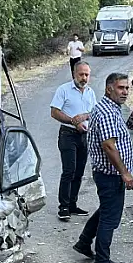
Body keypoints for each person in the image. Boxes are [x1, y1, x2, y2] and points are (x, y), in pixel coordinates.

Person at [73, 73, 133, 263]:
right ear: (109, 89)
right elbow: (109, 146)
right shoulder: (108, 112)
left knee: (106, 210)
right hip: (110, 175)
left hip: (106, 173)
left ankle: (84, 242)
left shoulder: (106, 107)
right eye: (120, 88)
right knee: (110, 218)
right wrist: (125, 173)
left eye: (127, 88)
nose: (125, 92)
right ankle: (102, 261)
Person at [49, 61, 97, 221]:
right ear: (74, 74)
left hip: (85, 135)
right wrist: (73, 121)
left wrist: (84, 117)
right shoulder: (63, 90)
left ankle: (72, 204)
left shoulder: (90, 92)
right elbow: (54, 112)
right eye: (81, 74)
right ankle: (63, 207)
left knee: (79, 172)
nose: (84, 78)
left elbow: (94, 113)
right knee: (69, 170)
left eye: (87, 75)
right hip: (68, 134)